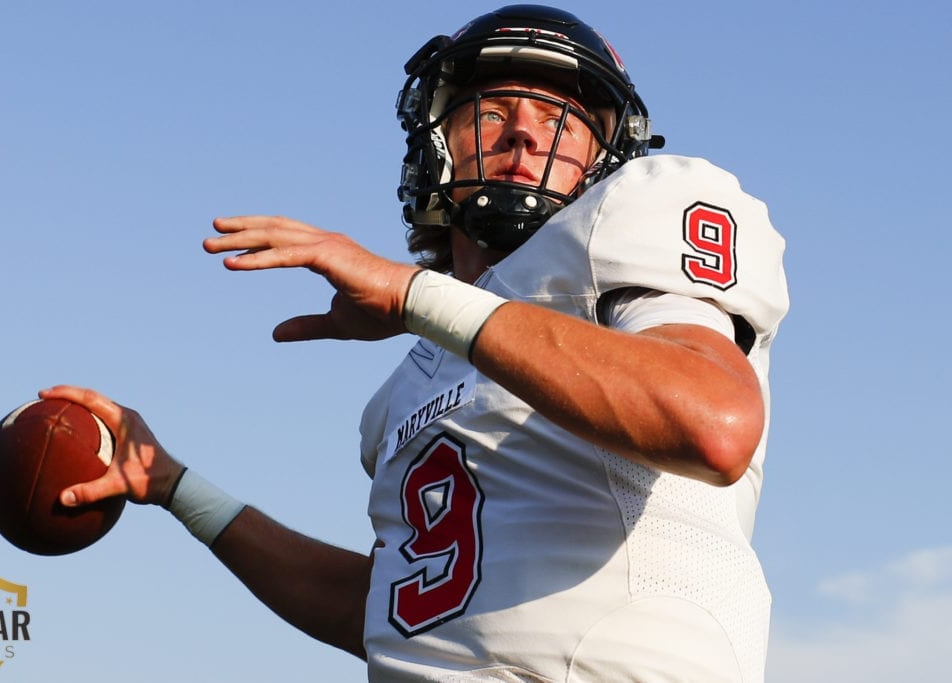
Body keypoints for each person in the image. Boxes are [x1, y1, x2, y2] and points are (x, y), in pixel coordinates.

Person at [42, 5, 789, 681]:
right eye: (491, 111)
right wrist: (175, 487)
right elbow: (397, 608)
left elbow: (712, 420)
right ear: (435, 145)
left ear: (604, 162)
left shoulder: (633, 217)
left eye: (560, 115)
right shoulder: (405, 387)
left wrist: (410, 293)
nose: (526, 131)